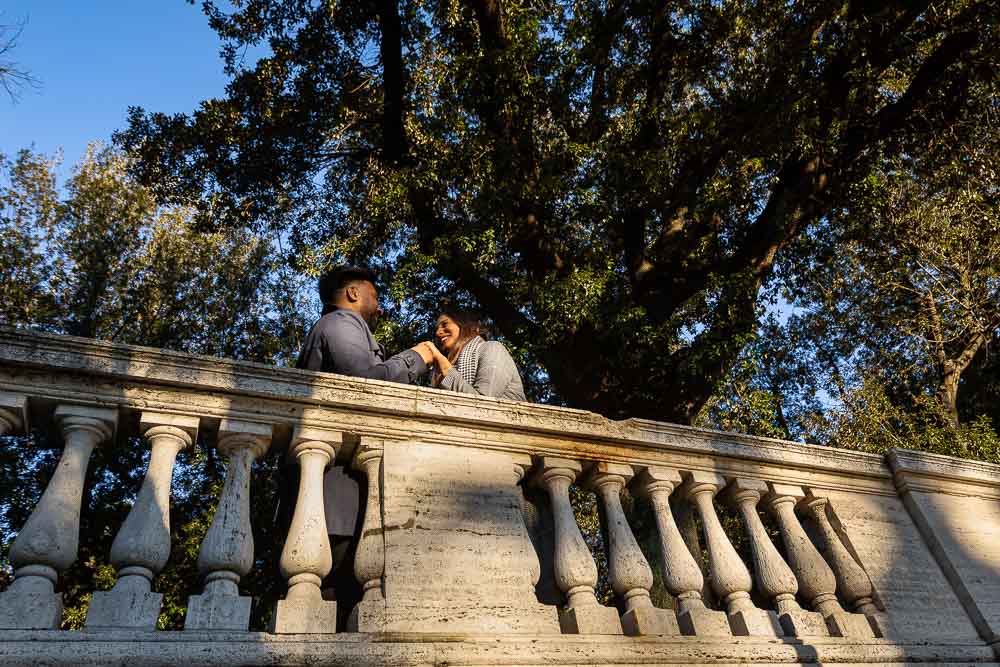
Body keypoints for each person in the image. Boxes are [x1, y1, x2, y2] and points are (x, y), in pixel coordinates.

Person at [296, 265, 436, 379]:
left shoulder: (333, 323)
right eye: (375, 298)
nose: (380, 309)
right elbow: (361, 385)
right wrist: (416, 357)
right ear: (353, 293)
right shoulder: (341, 321)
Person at [429, 308, 527, 401]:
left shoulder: (492, 349)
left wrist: (445, 367)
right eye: (436, 329)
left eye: (445, 324)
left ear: (463, 324)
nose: (438, 332)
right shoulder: (441, 370)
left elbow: (483, 403)